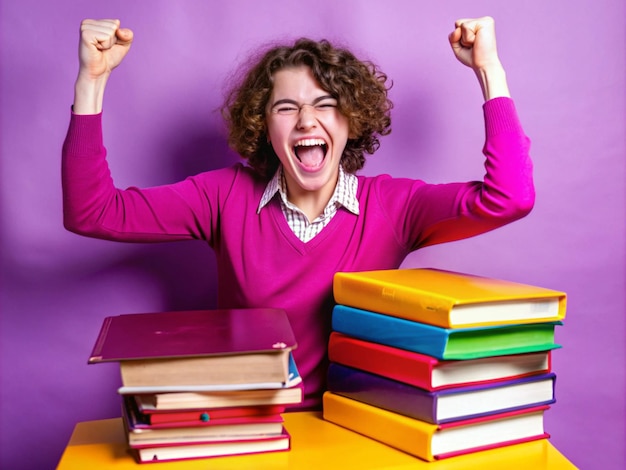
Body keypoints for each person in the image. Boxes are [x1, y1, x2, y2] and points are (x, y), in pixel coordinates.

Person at [63, 17, 534, 410]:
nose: (307, 120)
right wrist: (92, 79)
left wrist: (489, 70)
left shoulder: (396, 206)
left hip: (361, 427)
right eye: (286, 107)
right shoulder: (223, 196)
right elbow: (93, 211)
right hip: (247, 424)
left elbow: (508, 197)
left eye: (326, 105)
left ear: (351, 121)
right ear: (264, 127)